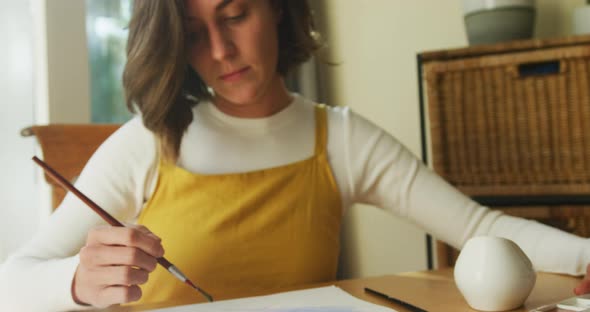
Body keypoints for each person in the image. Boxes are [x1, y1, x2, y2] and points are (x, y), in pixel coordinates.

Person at [1, 0, 590, 310]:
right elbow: (11, 284)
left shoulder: (337, 138)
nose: (221, 49)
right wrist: (77, 281)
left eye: (235, 15)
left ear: (277, 7)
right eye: (195, 30)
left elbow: (480, 227)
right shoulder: (150, 142)